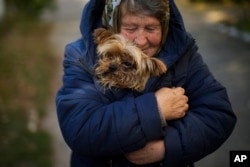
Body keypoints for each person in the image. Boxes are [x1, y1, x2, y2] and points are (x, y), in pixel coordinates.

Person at [56, 0, 237, 166]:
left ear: (164, 27)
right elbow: (80, 129)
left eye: (151, 29)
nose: (141, 41)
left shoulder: (183, 54)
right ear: (111, 24)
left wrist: (166, 147)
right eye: (130, 28)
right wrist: (156, 108)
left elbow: (218, 115)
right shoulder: (80, 56)